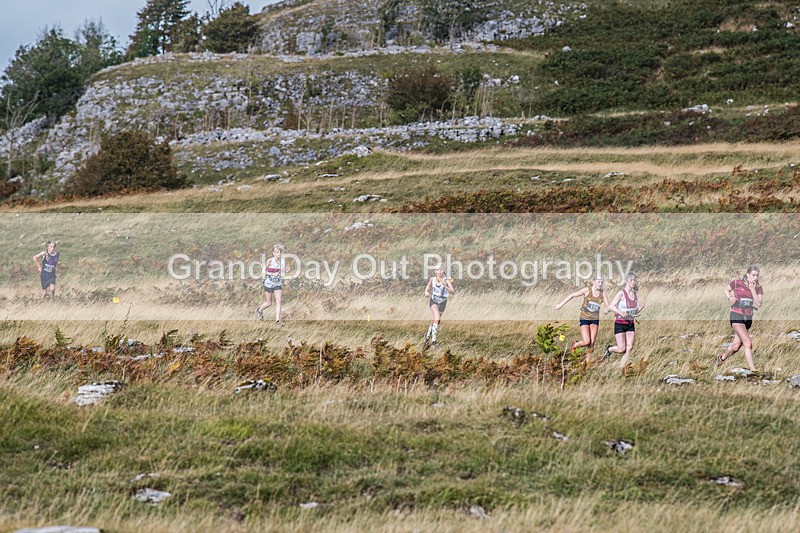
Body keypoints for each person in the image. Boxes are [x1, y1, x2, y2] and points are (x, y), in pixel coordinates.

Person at [715, 265, 763, 372]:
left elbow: (759, 303)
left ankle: (721, 358)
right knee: (748, 343)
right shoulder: (737, 283)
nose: (755, 277)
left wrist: (752, 289)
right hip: (736, 315)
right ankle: (753, 370)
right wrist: (730, 298)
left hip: (748, 318)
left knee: (736, 346)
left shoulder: (758, 287)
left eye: (757, 275)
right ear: (747, 274)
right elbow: (726, 290)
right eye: (753, 275)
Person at [554, 276, 610, 361]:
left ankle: (587, 363)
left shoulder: (603, 293)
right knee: (587, 341)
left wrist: (607, 310)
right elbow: (573, 295)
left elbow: (608, 306)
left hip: (595, 319)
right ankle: (575, 345)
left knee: (592, 343)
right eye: (599, 282)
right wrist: (560, 305)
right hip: (584, 318)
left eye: (602, 282)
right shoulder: (587, 290)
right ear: (594, 281)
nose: (600, 284)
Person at [604, 273, 645, 369]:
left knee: (629, 347)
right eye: (631, 280)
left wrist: (640, 308)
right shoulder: (621, 293)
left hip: (630, 323)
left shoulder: (634, 294)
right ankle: (609, 349)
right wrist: (620, 312)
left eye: (634, 280)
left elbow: (634, 311)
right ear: (626, 281)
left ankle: (622, 368)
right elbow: (611, 306)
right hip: (620, 323)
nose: (633, 282)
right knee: (622, 348)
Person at [424, 265, 455, 346]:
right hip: (434, 300)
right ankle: (434, 341)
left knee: (436, 320)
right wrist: (426, 292)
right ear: (435, 272)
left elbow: (453, 291)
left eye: (441, 269)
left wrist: (445, 286)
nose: (440, 271)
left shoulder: (447, 280)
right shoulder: (432, 279)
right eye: (438, 270)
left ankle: (427, 336)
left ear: (444, 271)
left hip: (443, 301)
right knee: (437, 318)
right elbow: (428, 286)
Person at [256, 244, 284, 324]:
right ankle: (259, 310)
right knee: (269, 303)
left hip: (277, 283)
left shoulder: (282, 261)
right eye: (277, 252)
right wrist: (272, 274)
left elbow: (282, 270)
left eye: (280, 252)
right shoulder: (270, 261)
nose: (279, 254)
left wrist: (286, 270)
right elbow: (263, 271)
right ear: (273, 253)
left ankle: (277, 321)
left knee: (279, 300)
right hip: (268, 283)